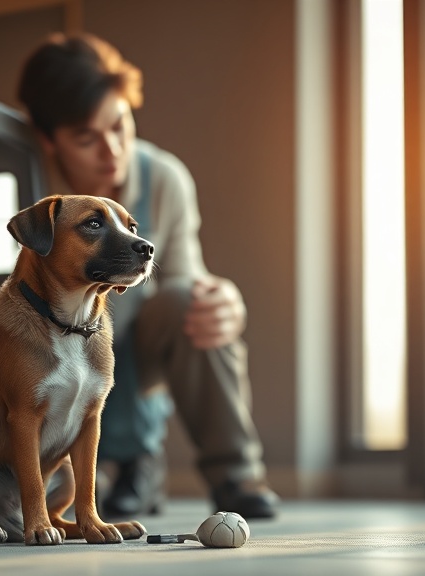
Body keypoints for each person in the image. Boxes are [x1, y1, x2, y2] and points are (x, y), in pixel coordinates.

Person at [16, 33, 279, 519]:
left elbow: (185, 281)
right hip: (38, 358)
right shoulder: (28, 187)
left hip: (130, 357)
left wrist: (224, 302)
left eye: (120, 125)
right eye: (86, 138)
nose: (112, 151)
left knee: (190, 303)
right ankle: (106, 468)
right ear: (50, 140)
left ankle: (233, 473)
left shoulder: (163, 178)